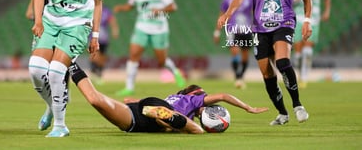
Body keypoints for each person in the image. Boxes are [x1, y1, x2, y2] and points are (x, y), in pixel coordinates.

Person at [217, 0, 312, 126]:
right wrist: (227, 14)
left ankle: (297, 105)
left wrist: (307, 22)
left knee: (283, 60)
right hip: (260, 27)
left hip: (284, 22)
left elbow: (306, 0)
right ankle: (282, 113)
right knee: (267, 72)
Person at [28, 0, 106, 138]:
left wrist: (95, 35)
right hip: (51, 21)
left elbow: (98, 2)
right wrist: (39, 21)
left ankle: (60, 126)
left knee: (55, 72)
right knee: (35, 69)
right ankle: (52, 106)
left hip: (78, 25)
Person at [68, 62, 268, 133]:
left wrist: (133, 101)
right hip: (153, 113)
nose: (207, 103)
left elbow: (137, 100)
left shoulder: (174, 97)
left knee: (96, 100)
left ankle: (71, 65)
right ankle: (167, 121)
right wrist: (247, 107)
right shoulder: (195, 99)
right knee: (195, 130)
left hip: (144, 109)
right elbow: (224, 95)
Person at [113, 0, 185, 96]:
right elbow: (130, 5)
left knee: (161, 60)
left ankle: (175, 71)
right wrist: (121, 8)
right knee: (133, 55)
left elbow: (173, 7)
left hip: (159, 29)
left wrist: (160, 11)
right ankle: (129, 87)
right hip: (141, 27)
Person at [293, 0, 330, 87]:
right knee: (298, 53)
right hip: (298, 20)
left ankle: (304, 77)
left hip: (313, 21)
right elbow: (289, 1)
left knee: (307, 51)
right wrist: (296, 0)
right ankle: (299, 74)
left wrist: (326, 12)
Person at [214, 0, 253, 89]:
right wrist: (217, 32)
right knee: (235, 51)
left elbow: (254, 13)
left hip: (246, 29)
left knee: (245, 56)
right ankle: (237, 77)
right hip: (232, 29)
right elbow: (222, 14)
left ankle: (241, 76)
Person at [89, 5, 119, 82]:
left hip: (104, 38)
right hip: (93, 37)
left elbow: (112, 20)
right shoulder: (91, 9)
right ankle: (93, 71)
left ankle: (99, 73)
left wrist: (115, 30)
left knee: (102, 57)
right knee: (95, 55)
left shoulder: (106, 11)